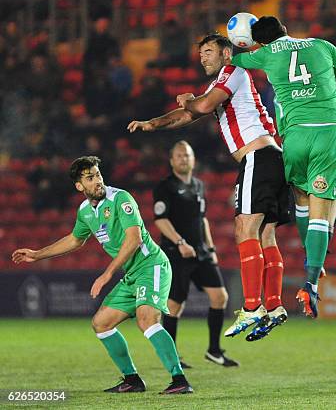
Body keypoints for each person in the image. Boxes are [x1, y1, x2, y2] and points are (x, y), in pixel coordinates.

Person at [231, 16, 336, 318]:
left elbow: (232, 57)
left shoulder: (264, 54)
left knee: (302, 200)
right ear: (284, 30)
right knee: (322, 208)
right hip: (328, 133)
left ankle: (311, 257)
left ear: (262, 41)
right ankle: (311, 279)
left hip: (294, 137)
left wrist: (238, 43)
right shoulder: (322, 46)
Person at [128, 34, 289, 342]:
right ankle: (274, 305)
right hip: (270, 158)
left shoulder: (233, 72)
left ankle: (252, 307)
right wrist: (155, 123)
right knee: (265, 233)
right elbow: (190, 113)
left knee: (245, 228)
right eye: (201, 53)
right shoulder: (222, 84)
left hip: (258, 155)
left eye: (209, 52)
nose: (203, 57)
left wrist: (189, 100)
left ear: (226, 53)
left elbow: (200, 106)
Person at [12, 156, 193, 394]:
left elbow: (134, 238)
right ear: (80, 186)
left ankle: (180, 380)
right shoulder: (86, 211)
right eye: (90, 177)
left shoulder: (120, 198)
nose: (97, 180)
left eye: (98, 174)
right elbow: (75, 239)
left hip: (151, 265)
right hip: (132, 273)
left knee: (147, 319)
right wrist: (37, 255)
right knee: (101, 323)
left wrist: (107, 274)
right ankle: (132, 380)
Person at [154, 140, 238, 367]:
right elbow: (160, 220)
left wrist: (210, 248)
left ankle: (214, 351)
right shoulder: (166, 187)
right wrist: (180, 242)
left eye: (187, 155)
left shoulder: (199, 185)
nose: (184, 159)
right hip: (176, 253)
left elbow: (202, 220)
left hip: (200, 252)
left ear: (193, 159)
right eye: (179, 155)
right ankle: (171, 356)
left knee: (220, 297)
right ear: (172, 161)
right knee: (174, 306)